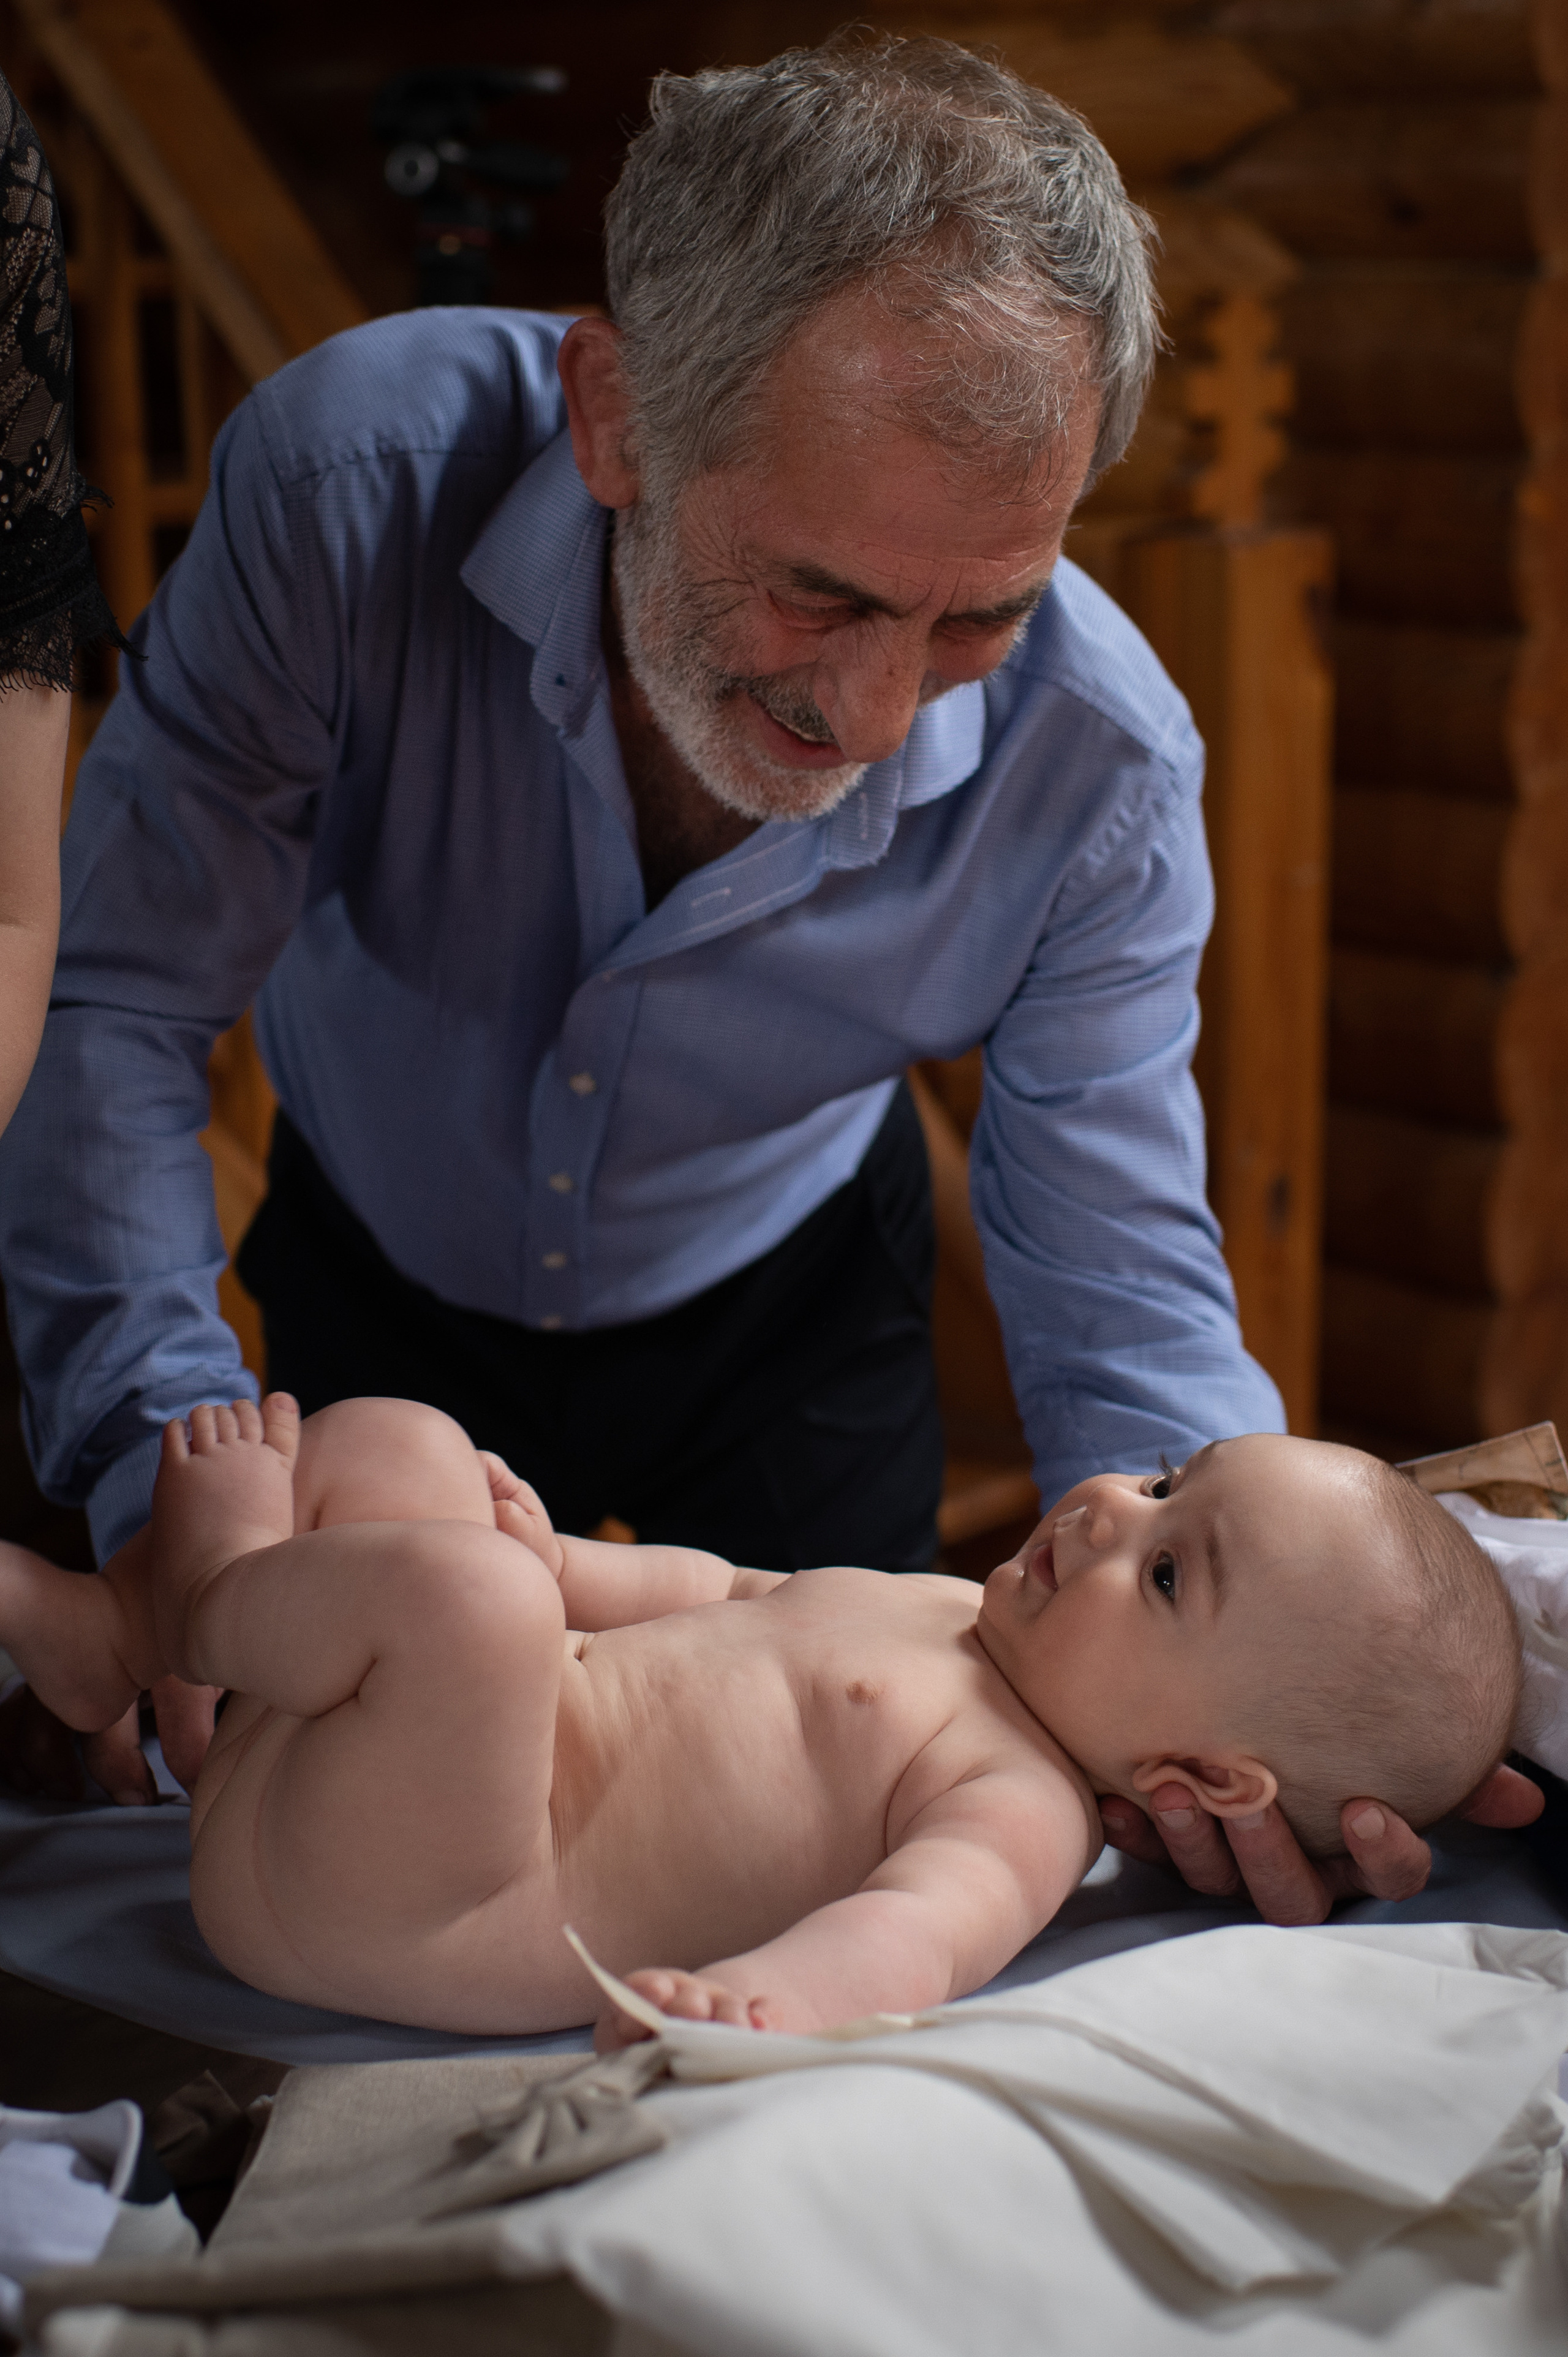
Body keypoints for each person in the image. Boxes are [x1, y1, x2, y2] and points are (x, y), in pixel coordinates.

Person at [0, 36, 1538, 1898]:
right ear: (615, 417)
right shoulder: (346, 492)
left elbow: (1120, 1279)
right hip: (371, 1270)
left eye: (980, 617)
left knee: (799, 1830)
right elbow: (118, 1000)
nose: (876, 716)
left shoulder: (1104, 771)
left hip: (792, 1312)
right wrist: (155, 1455)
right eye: (822, 593)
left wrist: (1256, 1706)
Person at [0, 1392, 1522, 2038]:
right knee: (411, 1447)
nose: (1107, 1509)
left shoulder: (1021, 1805)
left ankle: (197, 1598)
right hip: (360, 1759)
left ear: (1201, 1773)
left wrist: (761, 2005)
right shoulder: (948, 1607)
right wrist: (557, 1560)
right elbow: (720, 1589)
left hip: (421, 1891)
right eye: (1164, 1477)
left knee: (472, 1608)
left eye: (1171, 1570)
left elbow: (912, 1938)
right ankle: (118, 1638)